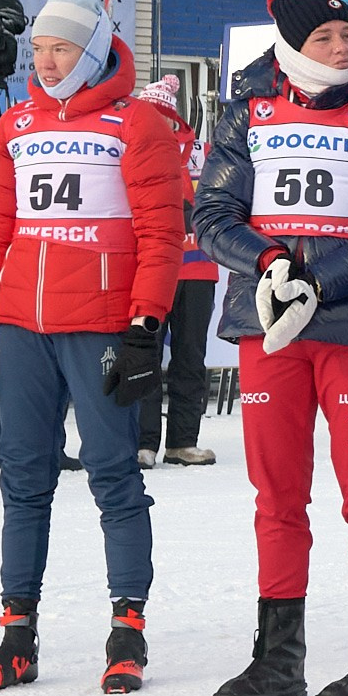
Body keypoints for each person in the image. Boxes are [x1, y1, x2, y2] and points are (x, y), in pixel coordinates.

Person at [193, 0, 348, 696]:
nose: (342, 48)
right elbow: (212, 212)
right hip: (269, 327)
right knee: (277, 495)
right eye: (325, 40)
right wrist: (269, 266)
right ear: (293, 46)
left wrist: (316, 283)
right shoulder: (247, 107)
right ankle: (277, 659)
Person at [0, 0, 186, 696]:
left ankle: (127, 633)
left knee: (114, 475)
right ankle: (16, 636)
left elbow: (161, 234)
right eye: (40, 49)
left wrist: (146, 325)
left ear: (89, 51)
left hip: (101, 325)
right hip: (25, 328)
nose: (46, 62)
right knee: (24, 481)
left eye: (60, 49)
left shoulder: (136, 123)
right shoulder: (15, 124)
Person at [136, 75, 217, 469]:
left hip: (198, 269)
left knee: (190, 359)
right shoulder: (130, 149)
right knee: (144, 356)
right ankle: (144, 442)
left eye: (160, 117)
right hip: (150, 268)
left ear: (172, 118)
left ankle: (183, 441)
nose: (154, 124)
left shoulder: (205, 151)